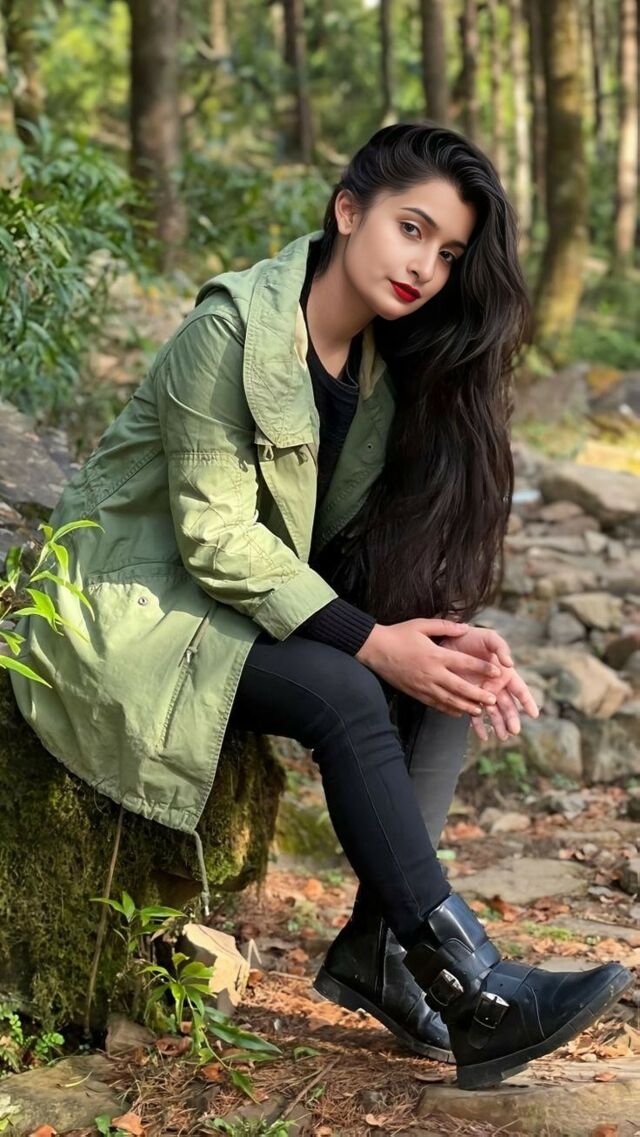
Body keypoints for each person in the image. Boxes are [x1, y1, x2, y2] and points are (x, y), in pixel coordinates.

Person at [10, 122, 631, 1090]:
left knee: (438, 683)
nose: (425, 267)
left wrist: (441, 638)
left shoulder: (378, 368)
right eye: (410, 229)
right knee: (348, 689)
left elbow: (338, 548)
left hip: (226, 611)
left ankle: (385, 951)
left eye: (449, 252)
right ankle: (476, 984)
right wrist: (373, 643)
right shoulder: (227, 332)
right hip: (131, 604)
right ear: (348, 211)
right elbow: (217, 538)